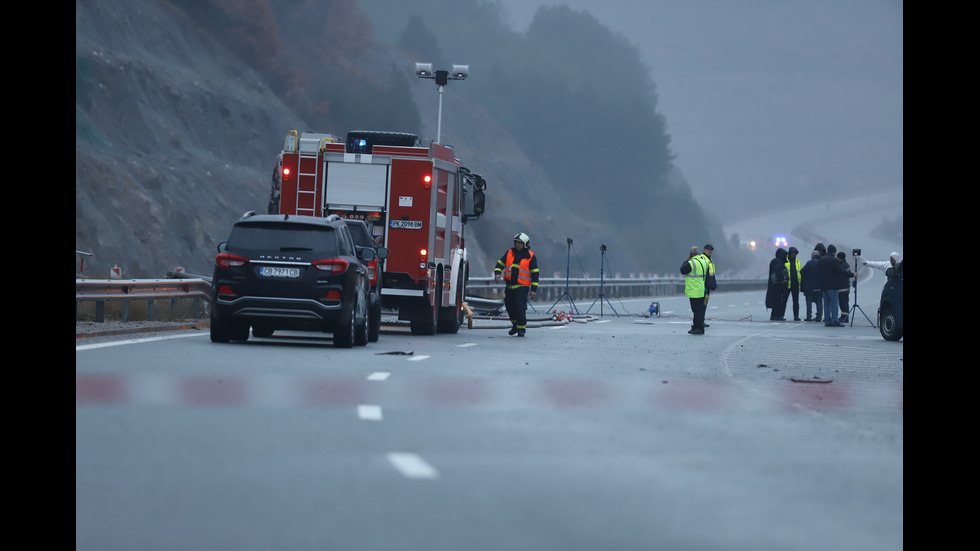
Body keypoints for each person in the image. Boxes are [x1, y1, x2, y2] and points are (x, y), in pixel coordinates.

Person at [493, 232, 539, 336]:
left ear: (525, 244)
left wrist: (533, 290)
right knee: (509, 307)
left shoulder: (531, 257)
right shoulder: (510, 252)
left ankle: (521, 329)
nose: (517, 244)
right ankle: (515, 325)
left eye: (520, 243)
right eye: (516, 242)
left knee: (519, 307)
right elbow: (500, 263)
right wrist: (497, 273)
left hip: (522, 287)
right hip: (509, 287)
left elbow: (535, 274)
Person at [817, 245, 850, 326]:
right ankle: (835, 320)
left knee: (826, 304)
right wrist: (852, 274)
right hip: (833, 286)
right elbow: (840, 271)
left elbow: (818, 272)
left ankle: (827, 321)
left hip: (824, 286)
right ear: (834, 252)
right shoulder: (834, 261)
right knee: (834, 303)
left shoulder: (821, 260)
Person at [680, 246, 708, 334]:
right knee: (699, 310)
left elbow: (682, 270)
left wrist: (687, 260)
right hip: (701, 288)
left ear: (691, 254)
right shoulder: (704, 262)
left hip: (694, 290)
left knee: (696, 310)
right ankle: (696, 326)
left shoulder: (691, 263)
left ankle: (699, 328)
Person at [765, 247, 789, 320]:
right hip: (778, 285)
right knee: (778, 300)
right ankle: (777, 316)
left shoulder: (775, 261)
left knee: (775, 300)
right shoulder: (779, 262)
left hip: (774, 284)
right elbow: (779, 271)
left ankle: (774, 315)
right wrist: (782, 279)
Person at [800, 250, 822, 322]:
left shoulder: (809, 263)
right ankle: (819, 316)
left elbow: (802, 271)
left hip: (809, 286)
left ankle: (809, 316)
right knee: (819, 301)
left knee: (808, 301)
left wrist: (806, 279)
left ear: (812, 256)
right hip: (819, 285)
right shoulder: (821, 262)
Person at [836, 251, 857, 324]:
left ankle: (844, 317)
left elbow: (842, 275)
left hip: (842, 287)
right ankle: (844, 316)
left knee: (843, 302)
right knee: (844, 302)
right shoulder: (845, 265)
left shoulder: (842, 266)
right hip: (845, 286)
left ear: (840, 258)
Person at [784, 246, 802, 321]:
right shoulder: (785, 261)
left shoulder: (797, 261)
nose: (793, 254)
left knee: (796, 301)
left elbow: (800, 272)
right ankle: (781, 315)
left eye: (794, 253)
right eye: (792, 253)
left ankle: (796, 316)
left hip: (795, 284)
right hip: (787, 284)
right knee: (784, 301)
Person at [701, 244, 717, 328]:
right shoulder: (703, 259)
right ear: (704, 250)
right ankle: (700, 321)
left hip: (708, 287)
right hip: (703, 286)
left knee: (704, 304)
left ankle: (701, 320)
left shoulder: (710, 260)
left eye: (711, 250)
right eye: (708, 249)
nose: (710, 251)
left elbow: (711, 274)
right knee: (701, 305)